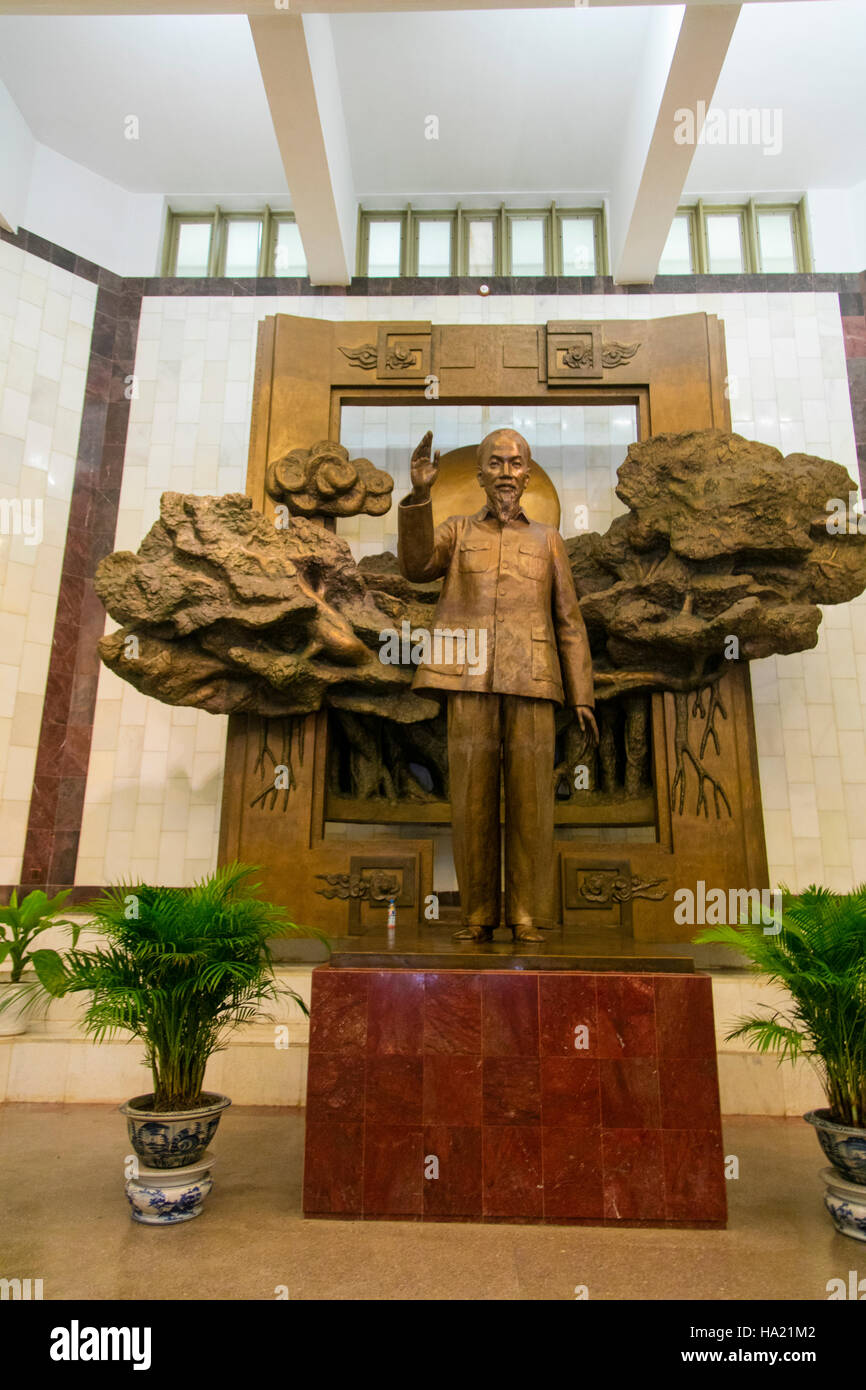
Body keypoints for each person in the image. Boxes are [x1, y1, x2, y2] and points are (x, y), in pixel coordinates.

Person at [398, 427, 597, 943]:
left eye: (515, 464)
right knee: (471, 799)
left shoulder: (548, 539)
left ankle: (527, 912)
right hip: (467, 680)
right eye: (496, 463)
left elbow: (569, 622)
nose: (506, 473)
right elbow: (417, 566)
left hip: (532, 680)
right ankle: (477, 913)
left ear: (528, 475)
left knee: (532, 801)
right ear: (480, 473)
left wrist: (582, 694)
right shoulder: (458, 531)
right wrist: (420, 497)